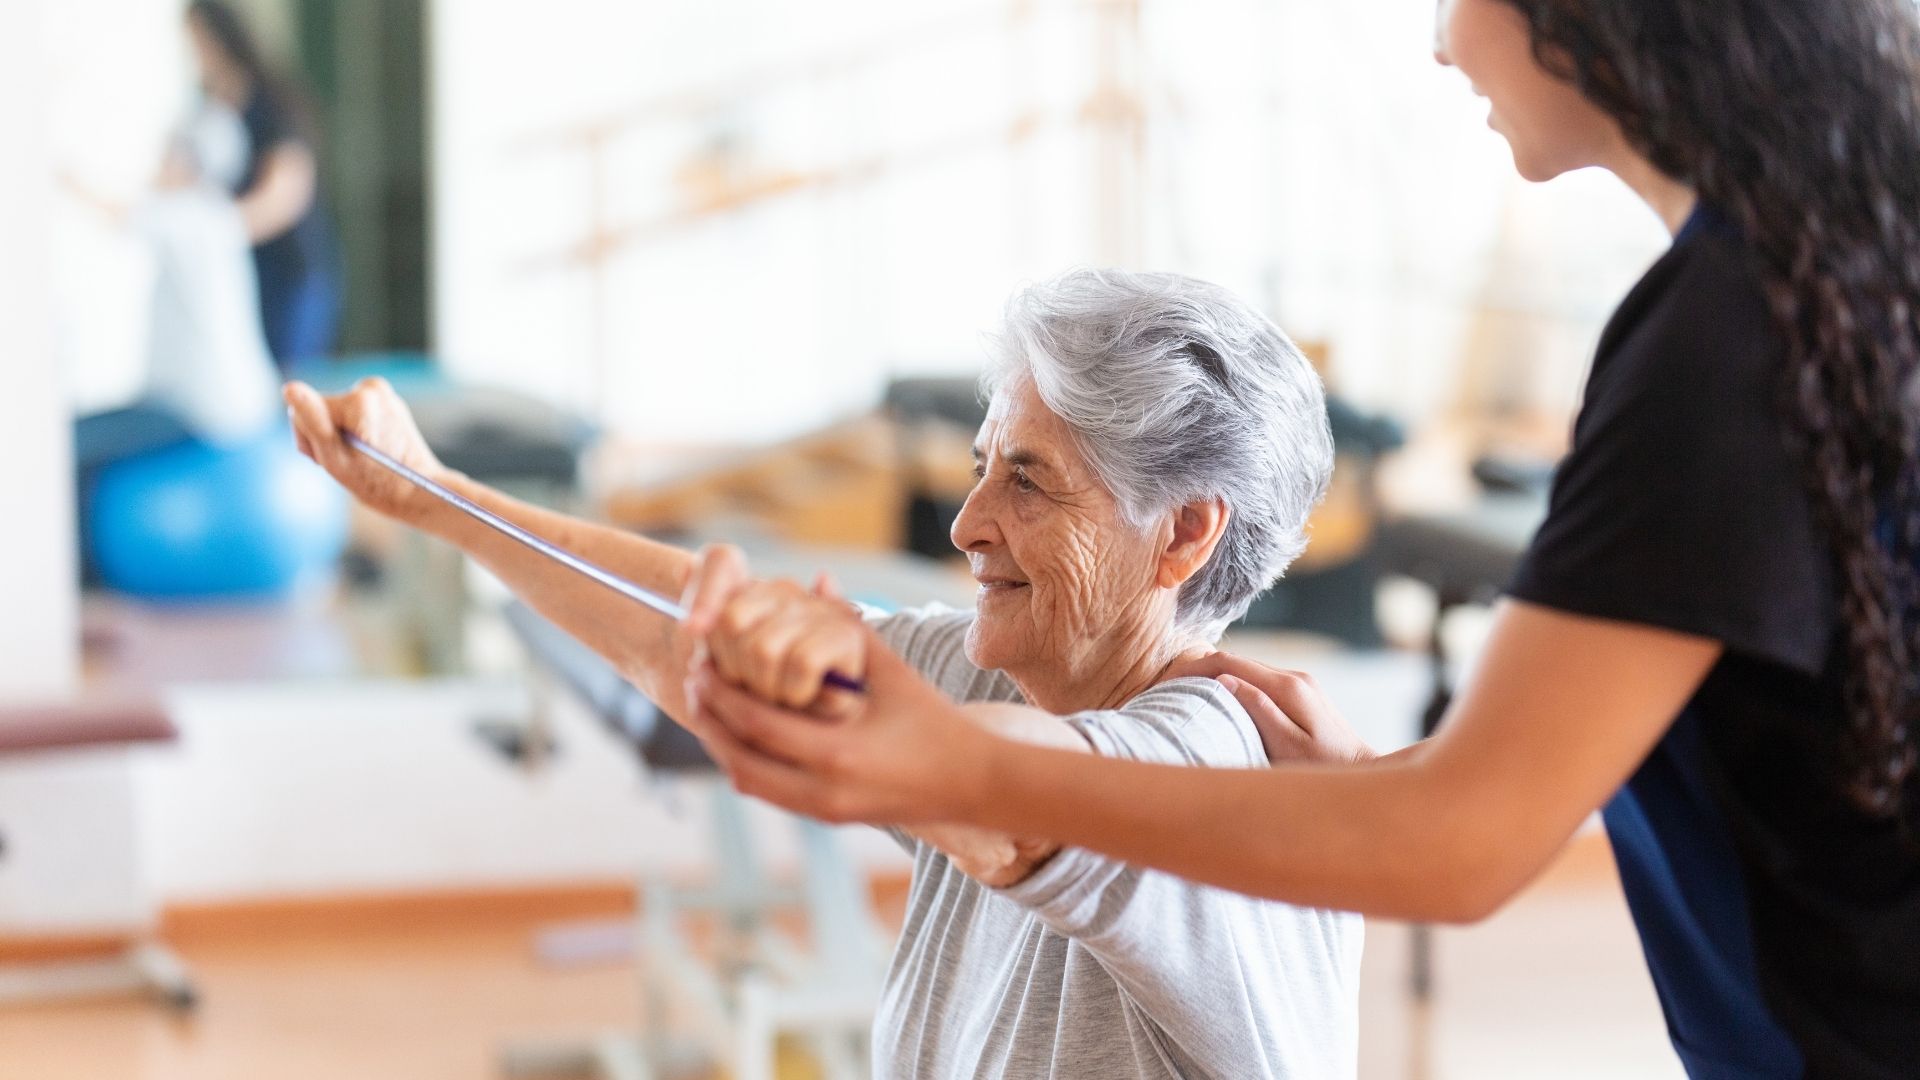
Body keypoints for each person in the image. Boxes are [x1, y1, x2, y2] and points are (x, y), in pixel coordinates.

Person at [684, 2, 1920, 1078]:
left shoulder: (1722, 338)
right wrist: (1398, 788)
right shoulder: (1810, 279)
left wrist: (955, 766)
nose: (1439, 43)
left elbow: (1463, 851)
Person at [284, 270, 1363, 1078]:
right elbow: (676, 634)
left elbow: (1026, 803)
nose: (969, 522)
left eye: (1028, 484)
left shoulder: (1227, 769)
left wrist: (843, 703)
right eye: (983, 467)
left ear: (1181, 535)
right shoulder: (1013, 674)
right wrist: (435, 496)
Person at [186, 0, 340, 368]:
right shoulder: (211, 107)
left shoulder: (271, 101)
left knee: (290, 383)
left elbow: (285, 194)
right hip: (247, 274)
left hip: (292, 273)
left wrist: (214, 234)